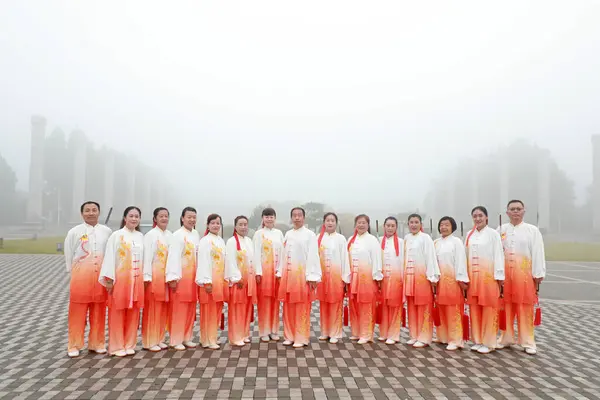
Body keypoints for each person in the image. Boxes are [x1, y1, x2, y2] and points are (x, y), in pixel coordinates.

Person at [497, 200, 546, 355]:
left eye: (518, 209)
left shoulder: (532, 231)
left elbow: (538, 252)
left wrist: (538, 273)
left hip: (524, 276)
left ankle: (528, 341)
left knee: (524, 308)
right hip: (505, 277)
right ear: (507, 212)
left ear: (524, 211)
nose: (516, 212)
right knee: (506, 306)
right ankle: (506, 337)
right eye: (512, 209)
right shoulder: (501, 229)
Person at [64, 201, 112, 357]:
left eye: (94, 210)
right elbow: (69, 254)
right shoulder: (74, 232)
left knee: (98, 311)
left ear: (99, 212)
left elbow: (110, 254)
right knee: (77, 312)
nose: (91, 213)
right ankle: (74, 345)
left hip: (100, 279)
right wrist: (74, 272)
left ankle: (97, 343)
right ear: (82, 213)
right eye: (87, 210)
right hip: (81, 278)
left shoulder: (107, 231)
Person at [99, 206, 145, 357]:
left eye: (136, 216)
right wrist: (109, 279)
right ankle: (116, 346)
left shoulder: (140, 237)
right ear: (125, 218)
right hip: (120, 280)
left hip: (136, 281)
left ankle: (130, 343)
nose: (133, 219)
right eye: (131, 216)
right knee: (117, 312)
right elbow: (110, 257)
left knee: (133, 312)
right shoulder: (116, 236)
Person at [277, 207, 321, 348]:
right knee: (288, 307)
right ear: (291, 218)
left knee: (302, 307)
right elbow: (283, 254)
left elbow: (313, 255)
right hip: (288, 276)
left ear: (304, 218)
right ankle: (289, 335)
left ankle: (301, 338)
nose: (297, 218)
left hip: (302, 276)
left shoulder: (310, 235)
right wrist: (279, 272)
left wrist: (312, 276)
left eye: (299, 215)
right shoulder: (288, 234)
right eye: (294, 215)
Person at [465, 206, 505, 354]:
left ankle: (489, 342)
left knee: (489, 309)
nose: (477, 219)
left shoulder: (493, 234)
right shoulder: (469, 234)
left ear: (486, 217)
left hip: (488, 278)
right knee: (474, 308)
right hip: (472, 277)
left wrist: (499, 276)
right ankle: (478, 340)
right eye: (475, 216)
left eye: (480, 215)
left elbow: (498, 255)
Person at [165, 207, 200, 351]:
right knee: (179, 309)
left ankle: (187, 337)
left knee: (191, 307)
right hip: (181, 277)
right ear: (182, 218)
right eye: (189, 217)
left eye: (194, 217)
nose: (191, 220)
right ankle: (175, 339)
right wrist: (172, 277)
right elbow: (173, 256)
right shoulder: (178, 235)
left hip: (193, 277)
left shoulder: (196, 234)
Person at [403, 213, 440, 348]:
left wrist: (432, 277)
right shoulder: (406, 238)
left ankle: (424, 337)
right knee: (412, 307)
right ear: (408, 224)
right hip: (409, 279)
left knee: (424, 307)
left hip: (422, 278)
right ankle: (414, 335)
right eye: (411, 222)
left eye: (416, 222)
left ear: (420, 224)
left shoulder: (426, 238)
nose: (413, 225)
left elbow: (430, 258)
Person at [433, 216, 469, 351]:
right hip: (439, 282)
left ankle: (456, 339)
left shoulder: (456, 242)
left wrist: (462, 280)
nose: (443, 227)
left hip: (453, 281)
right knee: (441, 308)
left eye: (447, 225)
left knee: (453, 310)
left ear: (452, 226)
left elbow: (460, 261)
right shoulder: (436, 242)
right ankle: (442, 336)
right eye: (441, 225)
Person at [347, 214, 383, 345]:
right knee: (354, 305)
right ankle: (356, 332)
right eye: (358, 223)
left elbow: (377, 258)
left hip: (367, 278)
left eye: (364, 223)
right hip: (353, 278)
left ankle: (366, 334)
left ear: (368, 225)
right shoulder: (351, 239)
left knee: (366, 305)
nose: (361, 225)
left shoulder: (372, 240)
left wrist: (377, 276)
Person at [316, 212, 350, 344]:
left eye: (332, 221)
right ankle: (325, 331)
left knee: (336, 304)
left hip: (336, 277)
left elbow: (345, 258)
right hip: (322, 277)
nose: (330, 223)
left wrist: (345, 278)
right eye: (327, 220)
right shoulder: (318, 238)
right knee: (323, 304)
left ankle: (335, 332)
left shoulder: (341, 239)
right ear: (324, 222)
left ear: (336, 223)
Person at [141, 207, 172, 352]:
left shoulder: (169, 235)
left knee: (163, 309)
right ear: (155, 218)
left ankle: (159, 338)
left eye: (166, 216)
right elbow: (146, 258)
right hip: (154, 277)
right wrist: (146, 276)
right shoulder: (150, 235)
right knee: (152, 309)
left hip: (166, 278)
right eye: (161, 216)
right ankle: (149, 341)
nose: (164, 218)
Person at [196, 213, 229, 350]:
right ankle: (207, 339)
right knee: (208, 311)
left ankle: (212, 337)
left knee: (216, 310)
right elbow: (203, 262)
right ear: (208, 225)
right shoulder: (205, 241)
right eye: (213, 223)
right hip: (208, 282)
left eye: (218, 223)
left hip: (219, 281)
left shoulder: (220, 241)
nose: (216, 225)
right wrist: (206, 281)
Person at [252, 207, 284, 342]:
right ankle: (264, 331)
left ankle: (274, 330)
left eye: (271, 217)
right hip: (264, 274)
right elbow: (255, 254)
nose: (269, 219)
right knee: (264, 302)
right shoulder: (259, 234)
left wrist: (280, 270)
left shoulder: (279, 233)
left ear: (275, 219)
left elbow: (283, 252)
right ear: (263, 219)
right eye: (266, 217)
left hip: (276, 273)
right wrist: (258, 272)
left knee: (275, 302)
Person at [225, 216, 258, 346]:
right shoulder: (232, 242)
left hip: (249, 281)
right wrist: (236, 277)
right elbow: (230, 261)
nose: (244, 227)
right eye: (241, 224)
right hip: (238, 281)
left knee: (246, 307)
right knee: (237, 308)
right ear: (235, 227)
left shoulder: (249, 241)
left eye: (245, 224)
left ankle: (244, 334)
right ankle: (235, 337)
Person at [378, 216, 405, 345]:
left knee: (395, 306)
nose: (390, 228)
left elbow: (403, 262)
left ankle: (394, 335)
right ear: (384, 227)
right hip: (382, 279)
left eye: (392, 226)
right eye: (387, 225)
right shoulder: (378, 241)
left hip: (396, 279)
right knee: (383, 306)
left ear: (396, 228)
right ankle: (383, 333)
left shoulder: (401, 242)